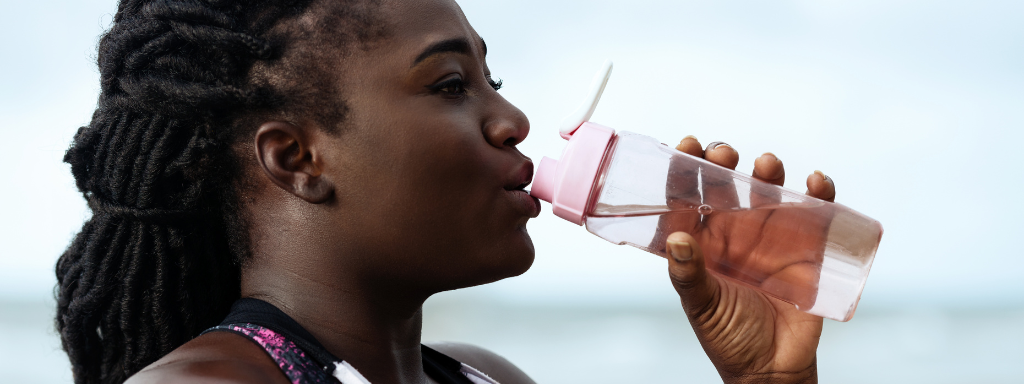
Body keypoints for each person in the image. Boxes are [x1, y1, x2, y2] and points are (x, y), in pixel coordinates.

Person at [56, 0, 836, 383]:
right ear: (298, 159)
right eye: (452, 84)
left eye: (494, 79)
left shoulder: (485, 377)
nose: (513, 119)